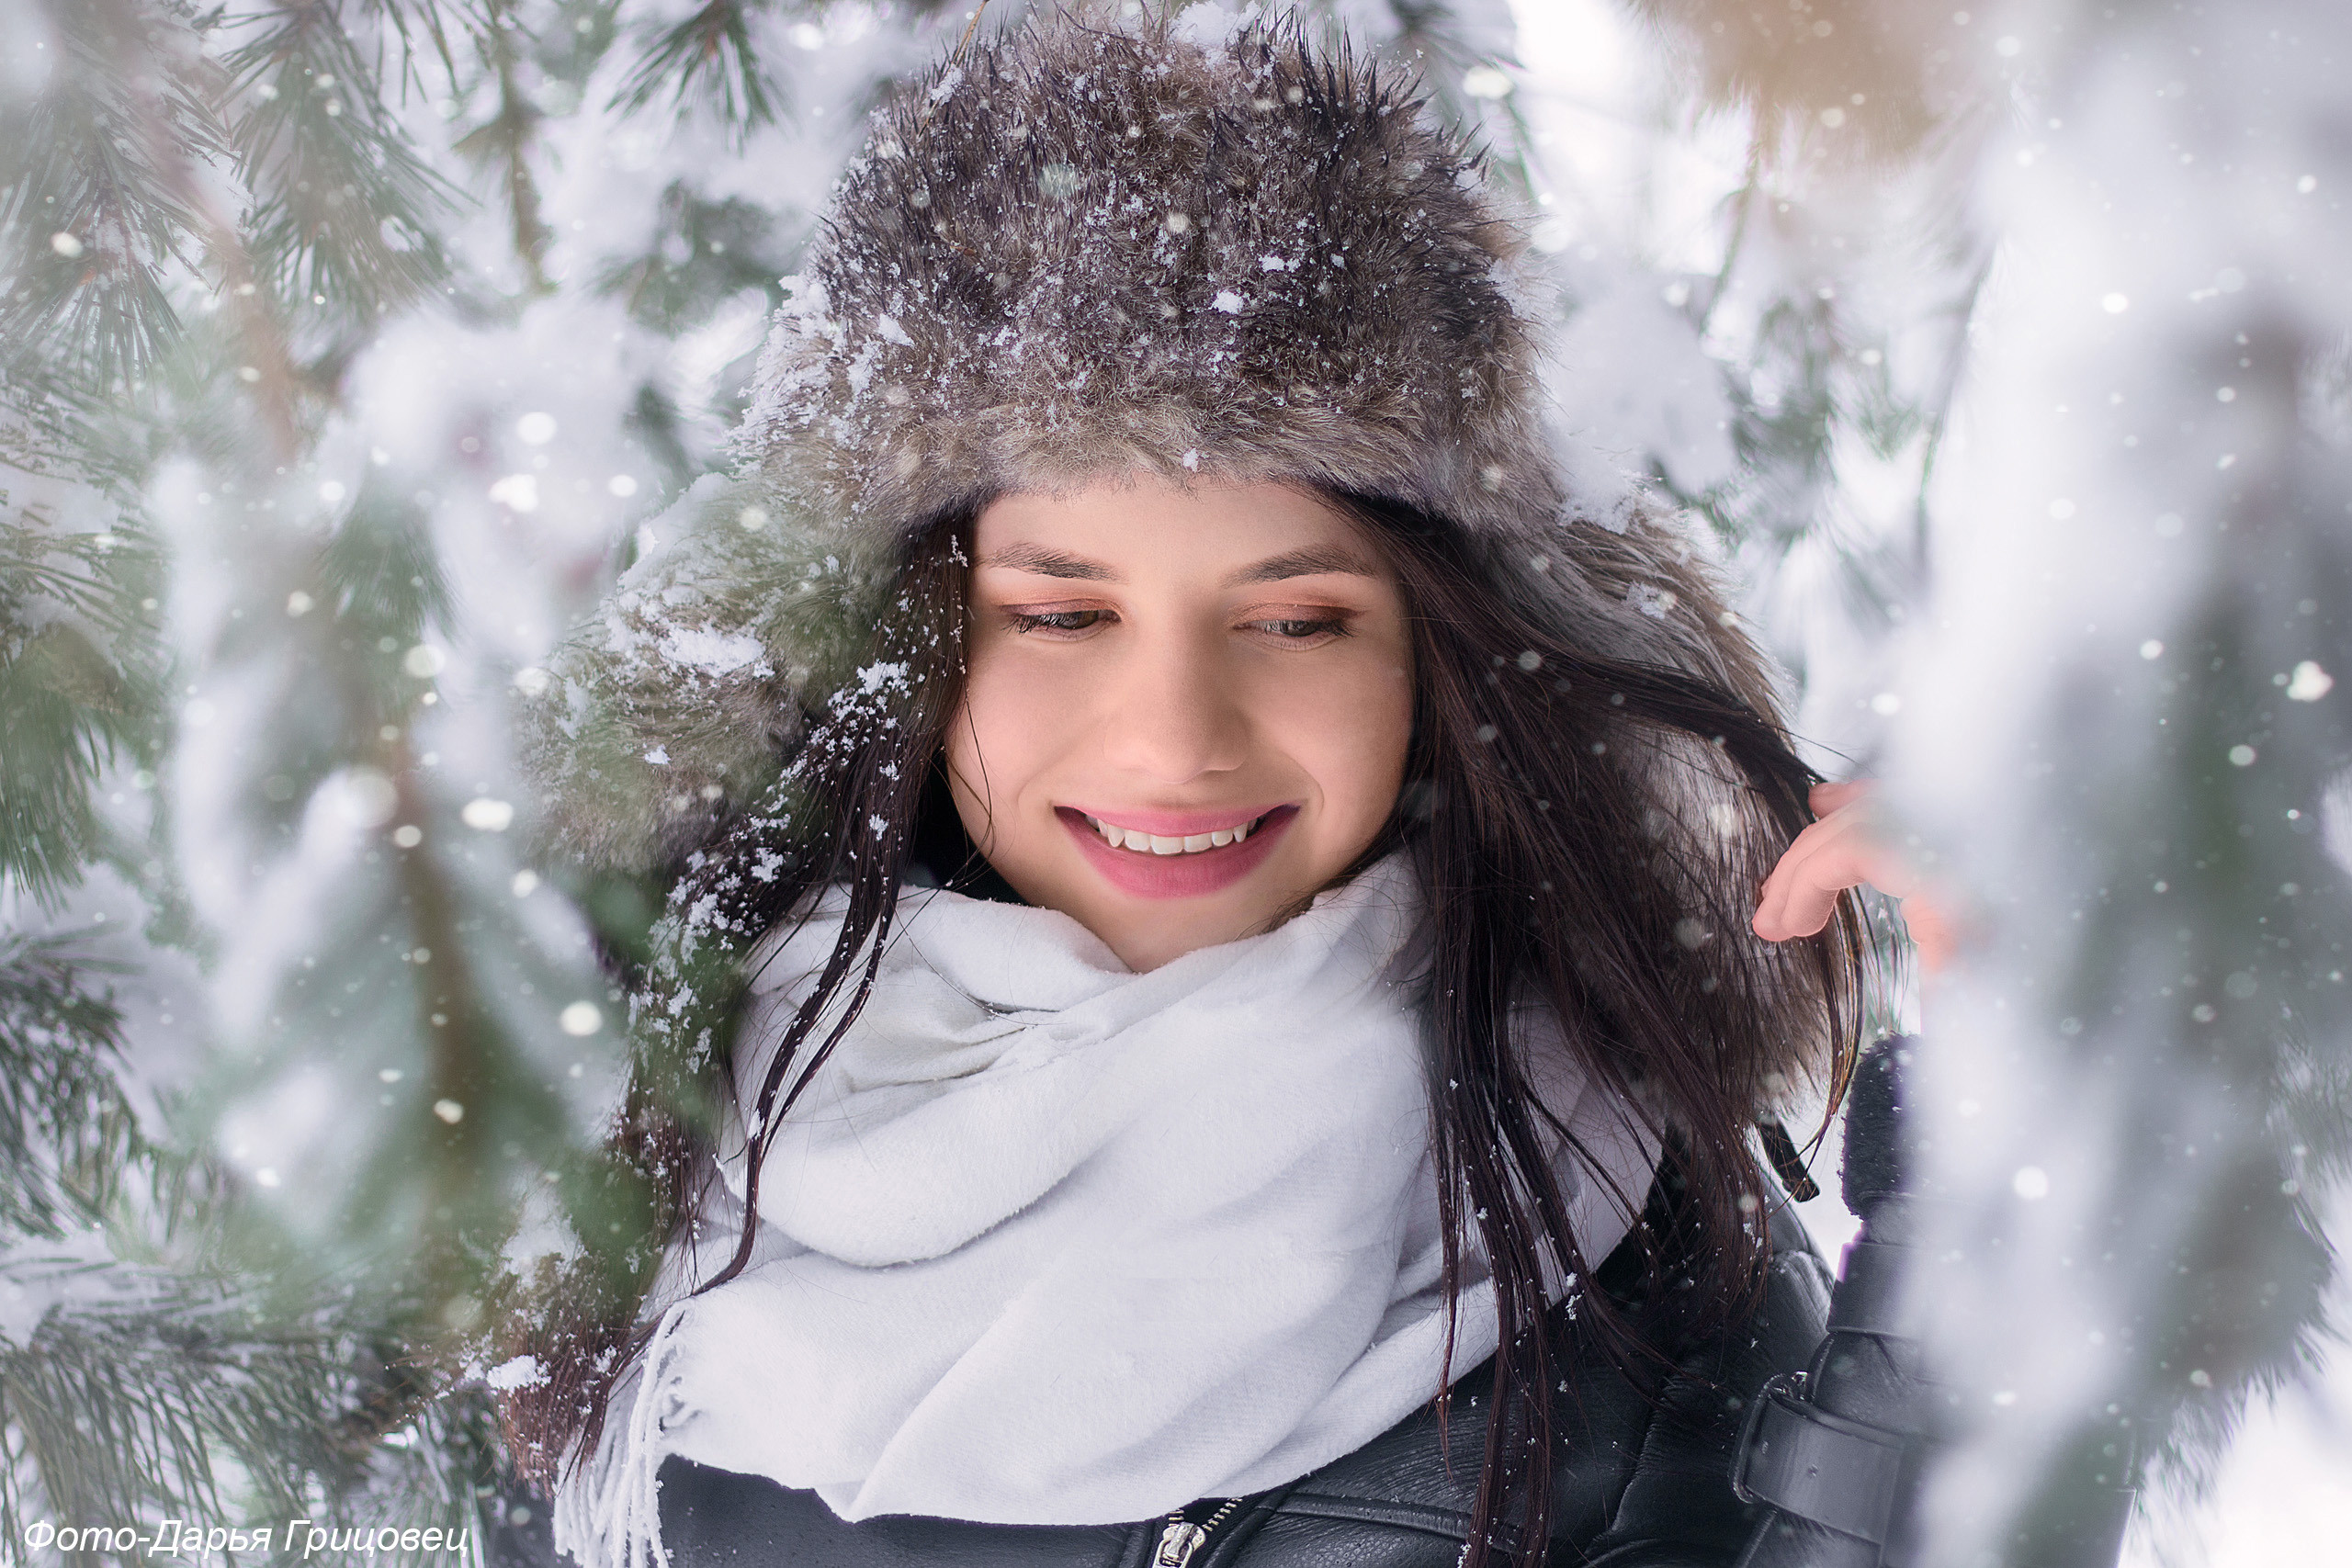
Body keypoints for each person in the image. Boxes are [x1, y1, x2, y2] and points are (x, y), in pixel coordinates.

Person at [493, 6, 1925, 1565]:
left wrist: (1958, 1297)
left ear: (1435, 661)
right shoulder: (627, 1154)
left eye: (1297, 622)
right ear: (912, 641)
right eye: (1061, 615)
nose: (1175, 743)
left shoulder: (1634, 1272)